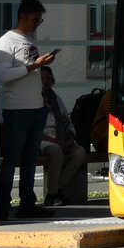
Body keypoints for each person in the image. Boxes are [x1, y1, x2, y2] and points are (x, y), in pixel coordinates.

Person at [0, 0, 57, 219]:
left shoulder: (29, 40)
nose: (37, 24)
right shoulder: (6, 42)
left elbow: (29, 72)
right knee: (11, 159)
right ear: (23, 16)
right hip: (18, 109)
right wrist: (35, 65)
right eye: (35, 20)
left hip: (36, 107)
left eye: (40, 20)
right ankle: (2, 205)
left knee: (30, 159)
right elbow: (5, 75)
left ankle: (27, 204)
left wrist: (40, 67)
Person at [39, 67, 87, 207]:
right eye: (42, 79)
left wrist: (70, 139)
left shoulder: (56, 99)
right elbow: (34, 130)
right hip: (42, 140)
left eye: (48, 78)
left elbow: (68, 122)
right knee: (56, 151)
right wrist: (57, 142)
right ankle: (52, 193)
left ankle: (56, 190)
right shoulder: (32, 100)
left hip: (61, 138)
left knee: (80, 152)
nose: (45, 81)